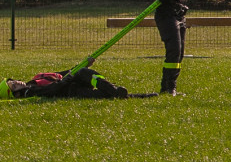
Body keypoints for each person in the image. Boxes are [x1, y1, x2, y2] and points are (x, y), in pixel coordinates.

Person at [2, 64, 155, 100]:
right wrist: (68, 78)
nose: (18, 82)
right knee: (104, 96)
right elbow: (53, 89)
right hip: (72, 92)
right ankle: (137, 95)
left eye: (14, 81)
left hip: (76, 80)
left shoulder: (34, 79)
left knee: (85, 72)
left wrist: (83, 64)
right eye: (14, 85)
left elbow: (61, 74)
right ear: (15, 94)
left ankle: (114, 90)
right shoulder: (32, 92)